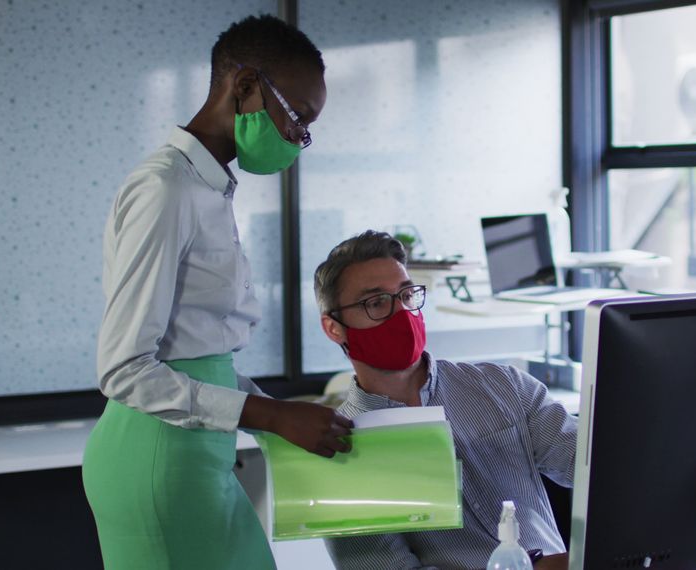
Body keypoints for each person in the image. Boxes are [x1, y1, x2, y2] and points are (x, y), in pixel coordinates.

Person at [82, 14, 353, 570]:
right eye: (297, 117)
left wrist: (276, 410)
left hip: (194, 450)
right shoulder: (166, 188)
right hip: (157, 455)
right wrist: (272, 416)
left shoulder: (207, 187)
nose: (299, 138)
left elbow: (199, 355)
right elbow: (124, 368)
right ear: (246, 85)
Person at [314, 231, 577, 570]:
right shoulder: (339, 450)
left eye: (407, 295)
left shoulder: (504, 386)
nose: (402, 313)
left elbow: (591, 466)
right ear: (334, 328)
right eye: (376, 302)